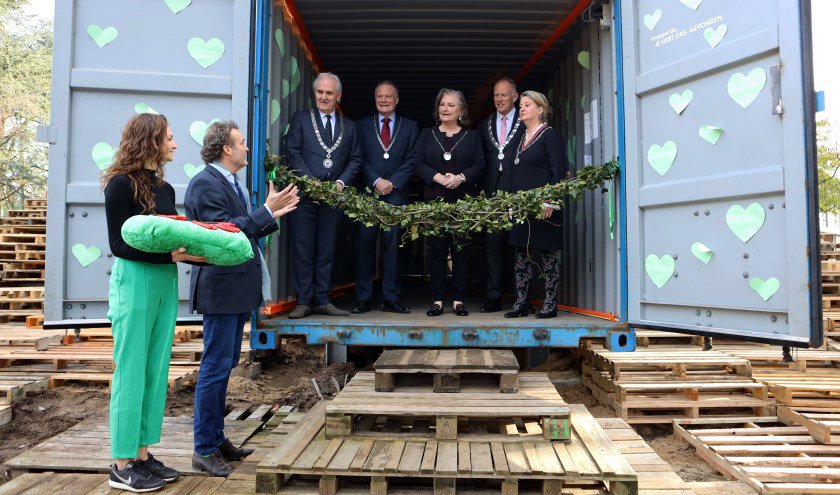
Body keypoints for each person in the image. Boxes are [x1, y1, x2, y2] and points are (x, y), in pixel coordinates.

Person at [184, 121, 299, 476]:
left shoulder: (231, 182)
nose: (247, 148)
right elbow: (224, 233)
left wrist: (268, 213)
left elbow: (240, 224)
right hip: (220, 290)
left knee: (226, 363)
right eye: (242, 142)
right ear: (226, 149)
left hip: (233, 290)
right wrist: (265, 212)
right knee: (215, 366)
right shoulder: (204, 183)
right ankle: (204, 449)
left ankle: (216, 440)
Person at [103, 113, 206, 492]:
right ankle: (121, 464)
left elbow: (171, 239)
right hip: (134, 281)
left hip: (164, 280)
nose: (175, 144)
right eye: (169, 137)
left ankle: (143, 456)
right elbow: (118, 244)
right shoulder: (119, 185)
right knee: (131, 370)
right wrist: (170, 256)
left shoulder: (164, 188)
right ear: (151, 141)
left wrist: (201, 251)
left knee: (156, 369)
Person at [286, 72, 362, 319]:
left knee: (327, 249)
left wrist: (340, 183)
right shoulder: (300, 119)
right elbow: (293, 153)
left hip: (333, 197)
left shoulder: (350, 126)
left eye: (329, 93)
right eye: (320, 92)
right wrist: (311, 182)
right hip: (304, 195)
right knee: (303, 247)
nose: (324, 97)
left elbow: (355, 159)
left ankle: (322, 300)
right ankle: (303, 301)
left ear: (338, 96)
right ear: (314, 93)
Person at [414, 88, 484, 317]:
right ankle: (437, 301)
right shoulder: (427, 134)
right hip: (435, 201)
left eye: (450, 105)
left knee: (461, 251)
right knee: (437, 251)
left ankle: (458, 300)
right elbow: (418, 163)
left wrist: (460, 178)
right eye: (442, 104)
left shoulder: (472, 136)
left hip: (463, 202)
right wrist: (437, 177)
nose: (445, 109)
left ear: (461, 110)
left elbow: (480, 165)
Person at [352, 81, 419, 315]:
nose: (383, 100)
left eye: (388, 96)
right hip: (369, 195)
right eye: (379, 96)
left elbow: (413, 159)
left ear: (396, 100)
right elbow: (357, 157)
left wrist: (393, 182)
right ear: (375, 99)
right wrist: (376, 181)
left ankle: (391, 298)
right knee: (365, 247)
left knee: (394, 249)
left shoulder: (410, 126)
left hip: (397, 194)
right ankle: (363, 298)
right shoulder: (361, 125)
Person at [504, 91, 564, 319]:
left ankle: (550, 304)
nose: (522, 108)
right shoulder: (520, 138)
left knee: (548, 256)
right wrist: (511, 203)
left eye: (527, 104)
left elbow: (559, 172)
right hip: (522, 208)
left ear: (540, 109)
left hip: (544, 208)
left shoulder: (550, 136)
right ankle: (522, 303)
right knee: (522, 256)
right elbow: (513, 174)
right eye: (520, 105)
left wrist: (550, 201)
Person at [477, 77, 527, 313]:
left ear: (515, 97)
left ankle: (521, 297)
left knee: (520, 245)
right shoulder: (483, 125)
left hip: (519, 191)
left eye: (503, 95)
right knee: (493, 245)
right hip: (492, 192)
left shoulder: (526, 121)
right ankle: (493, 296)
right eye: (496, 95)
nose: (499, 99)